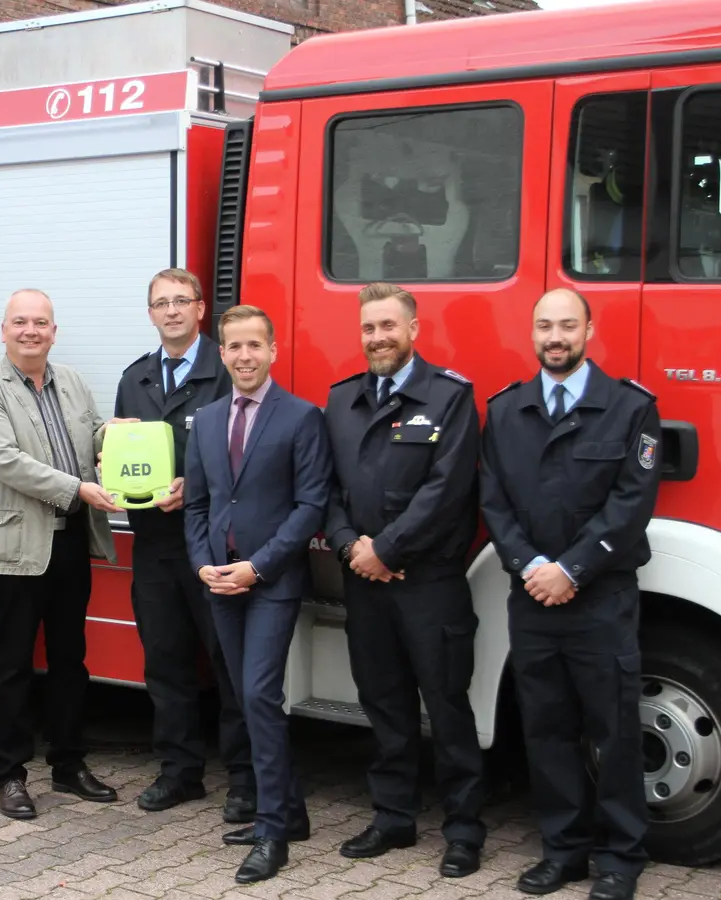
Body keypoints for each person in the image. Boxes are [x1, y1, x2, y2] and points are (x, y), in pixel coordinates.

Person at [479, 288, 660, 900]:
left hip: (600, 599)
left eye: (566, 325)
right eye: (544, 326)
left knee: (612, 730)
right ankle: (564, 851)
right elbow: (493, 501)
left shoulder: (630, 408)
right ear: (532, 334)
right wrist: (531, 565)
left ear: (589, 329)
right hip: (532, 597)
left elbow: (631, 504)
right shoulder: (507, 410)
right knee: (546, 729)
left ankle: (620, 857)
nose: (555, 336)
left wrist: (572, 569)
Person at [322, 282, 486, 876]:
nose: (377, 338)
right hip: (365, 584)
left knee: (447, 706)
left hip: (429, 584)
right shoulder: (342, 400)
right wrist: (349, 547)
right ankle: (393, 817)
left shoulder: (449, 397)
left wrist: (386, 548)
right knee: (383, 704)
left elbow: (447, 492)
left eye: (388, 326)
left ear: (414, 330)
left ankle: (465, 830)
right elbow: (329, 491)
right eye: (368, 328)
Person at [184, 304, 331, 884]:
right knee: (243, 699)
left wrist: (259, 567)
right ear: (221, 353)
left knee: (261, 696)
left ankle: (272, 831)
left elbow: (311, 506)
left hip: (270, 582)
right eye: (233, 347)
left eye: (254, 346)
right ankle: (289, 810)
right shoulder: (208, 418)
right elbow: (197, 503)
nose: (244, 356)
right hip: (219, 581)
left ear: (272, 351)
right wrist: (202, 564)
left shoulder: (301, 418)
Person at [0, 288, 121, 820]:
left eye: (41, 323)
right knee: (10, 665)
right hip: (15, 548)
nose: (31, 331)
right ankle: (8, 774)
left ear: (54, 331)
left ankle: (69, 764)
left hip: (70, 540)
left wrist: (115, 437)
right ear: (3, 331)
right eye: (21, 322)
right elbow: (4, 460)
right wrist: (78, 487)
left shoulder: (72, 381)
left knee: (70, 661)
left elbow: (91, 435)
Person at [111, 268, 254, 821]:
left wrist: (195, 487)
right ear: (150, 313)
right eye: (160, 303)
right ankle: (180, 772)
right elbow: (127, 448)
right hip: (155, 544)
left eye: (181, 301)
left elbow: (253, 453)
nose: (171, 311)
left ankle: (245, 778)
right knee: (165, 663)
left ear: (200, 310)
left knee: (231, 664)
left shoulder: (229, 369)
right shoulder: (135, 378)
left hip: (220, 543)